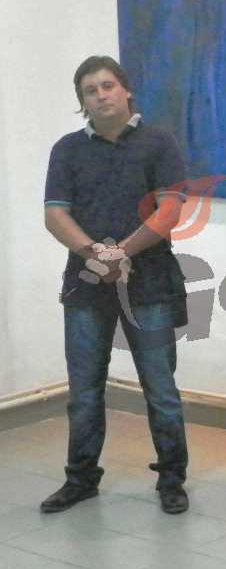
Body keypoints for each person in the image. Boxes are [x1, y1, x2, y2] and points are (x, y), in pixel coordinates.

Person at [41, 56, 190, 515]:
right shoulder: (67, 149)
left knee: (160, 389)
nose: (101, 95)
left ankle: (172, 479)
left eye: (108, 85)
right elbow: (55, 214)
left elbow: (170, 211)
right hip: (86, 285)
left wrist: (121, 252)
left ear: (126, 90)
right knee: (84, 391)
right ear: (82, 101)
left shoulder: (159, 143)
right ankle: (81, 479)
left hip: (151, 284)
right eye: (91, 90)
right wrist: (94, 254)